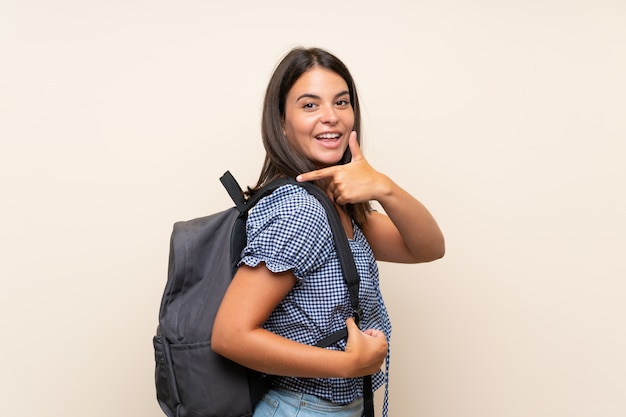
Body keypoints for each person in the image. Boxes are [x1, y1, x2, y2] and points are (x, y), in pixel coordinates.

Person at [212, 47, 445, 417]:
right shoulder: (300, 211)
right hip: (302, 409)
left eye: (341, 102)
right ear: (281, 121)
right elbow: (230, 335)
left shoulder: (333, 204)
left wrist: (385, 187)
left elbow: (428, 247)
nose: (331, 117)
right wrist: (347, 366)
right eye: (309, 105)